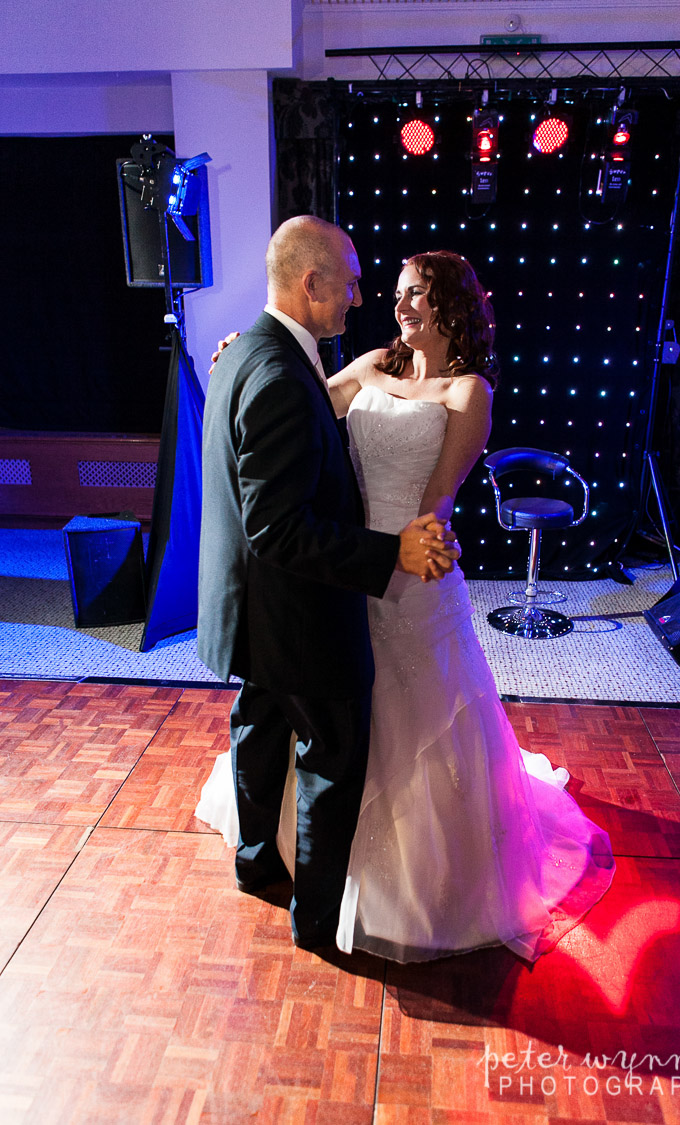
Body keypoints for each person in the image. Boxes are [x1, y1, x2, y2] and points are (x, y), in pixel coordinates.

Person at [198, 246, 615, 963]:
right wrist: (246, 352)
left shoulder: (469, 393)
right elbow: (297, 399)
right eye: (395, 293)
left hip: (410, 575)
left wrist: (405, 555)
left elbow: (437, 503)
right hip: (341, 568)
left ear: (452, 302)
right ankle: (315, 862)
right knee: (334, 723)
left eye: (415, 292)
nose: (397, 305)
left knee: (407, 726)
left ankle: (400, 885)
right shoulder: (369, 368)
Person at [197, 216, 459, 953]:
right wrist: (391, 553)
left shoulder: (250, 351)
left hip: (252, 610)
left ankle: (256, 866)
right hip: (303, 612)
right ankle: (315, 921)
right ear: (311, 284)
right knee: (331, 760)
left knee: (257, 730)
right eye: (348, 278)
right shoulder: (280, 371)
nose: (360, 293)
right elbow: (278, 527)